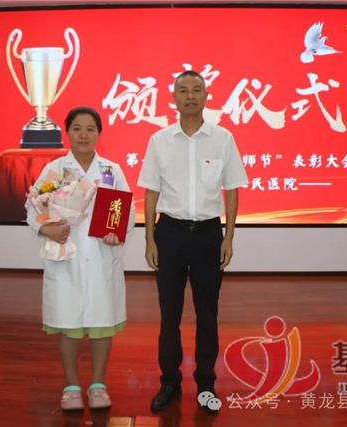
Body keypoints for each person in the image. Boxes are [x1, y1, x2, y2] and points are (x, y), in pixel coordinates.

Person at [137, 70, 248, 412]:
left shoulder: (223, 138)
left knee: (207, 314)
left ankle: (206, 383)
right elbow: (150, 191)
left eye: (196, 90)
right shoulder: (159, 140)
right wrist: (150, 239)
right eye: (183, 90)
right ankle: (169, 381)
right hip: (169, 235)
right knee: (169, 314)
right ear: (173, 98)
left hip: (208, 236)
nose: (190, 96)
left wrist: (229, 237)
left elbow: (232, 190)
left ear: (206, 96)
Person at [25, 106, 135, 411]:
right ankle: (71, 386)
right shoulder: (55, 170)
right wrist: (46, 229)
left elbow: (126, 212)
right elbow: (33, 208)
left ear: (99, 133)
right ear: (67, 132)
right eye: (77, 128)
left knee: (102, 323)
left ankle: (98, 384)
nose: (83, 135)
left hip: (102, 257)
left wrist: (116, 233)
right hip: (66, 257)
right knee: (68, 323)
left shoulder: (111, 170)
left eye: (90, 129)